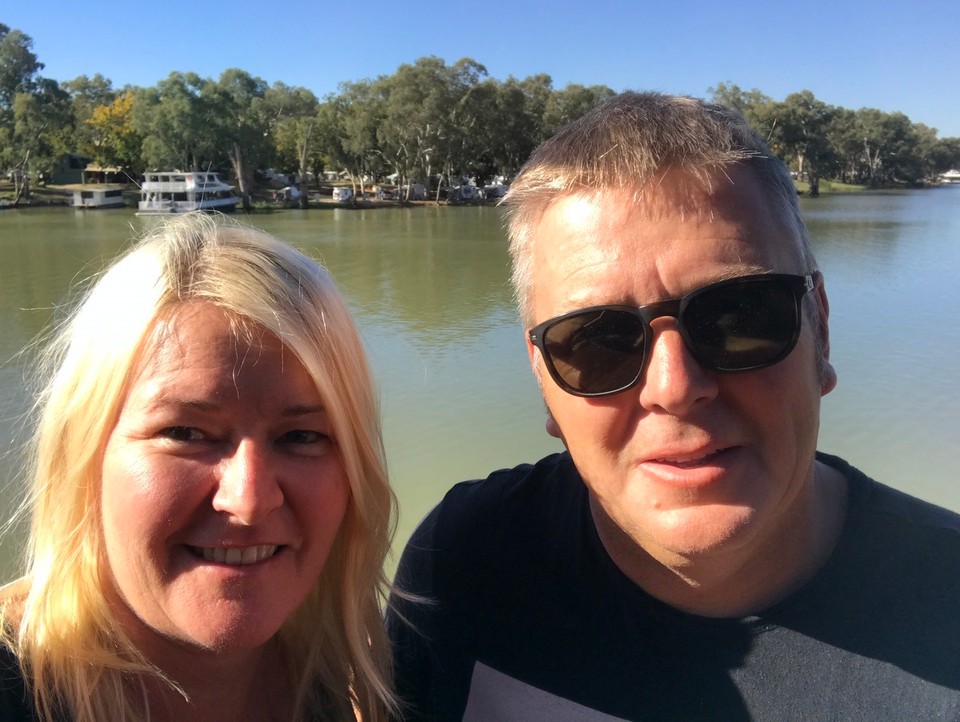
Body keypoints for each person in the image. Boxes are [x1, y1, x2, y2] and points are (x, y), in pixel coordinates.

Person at [387, 92, 960, 720]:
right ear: (544, 383)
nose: (675, 386)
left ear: (819, 328)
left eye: (740, 316)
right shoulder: (465, 563)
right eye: (596, 341)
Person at [0, 214, 398, 721]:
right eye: (185, 433)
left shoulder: (362, 685)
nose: (249, 500)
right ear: (84, 453)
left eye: (302, 437)